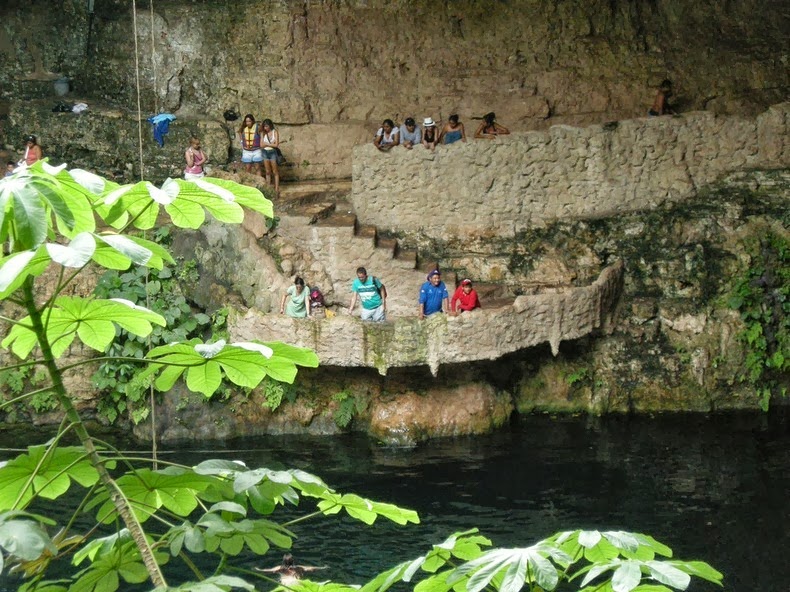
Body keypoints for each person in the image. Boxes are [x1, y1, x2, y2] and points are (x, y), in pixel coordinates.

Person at [254, 553, 326, 587]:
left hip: (286, 583)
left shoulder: (280, 569)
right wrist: (323, 568)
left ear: (283, 561)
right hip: (296, 582)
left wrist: (257, 569)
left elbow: (267, 571)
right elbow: (311, 568)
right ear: (293, 561)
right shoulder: (299, 568)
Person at [260, 118, 281, 194]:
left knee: (275, 171)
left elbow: (276, 144)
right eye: (264, 126)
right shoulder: (263, 133)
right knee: (268, 171)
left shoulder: (275, 132)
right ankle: (268, 187)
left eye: (267, 126)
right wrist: (270, 144)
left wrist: (267, 144)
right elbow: (261, 145)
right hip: (265, 152)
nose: (265, 128)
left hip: (272, 152)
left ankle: (276, 188)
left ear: (270, 126)